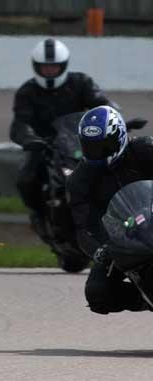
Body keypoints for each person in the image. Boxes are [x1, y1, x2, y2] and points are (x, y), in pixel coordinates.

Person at [9, 37, 113, 233]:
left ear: (63, 65)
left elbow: (103, 105)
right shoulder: (27, 91)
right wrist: (30, 139)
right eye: (45, 67)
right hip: (44, 146)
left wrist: (116, 121)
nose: (49, 71)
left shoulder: (82, 83)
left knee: (113, 169)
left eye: (54, 67)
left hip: (81, 142)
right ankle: (39, 216)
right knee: (25, 179)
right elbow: (20, 122)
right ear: (36, 67)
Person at [68, 105, 153, 314]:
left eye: (104, 146)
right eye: (91, 146)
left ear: (120, 136)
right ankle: (144, 299)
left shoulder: (145, 150)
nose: (97, 153)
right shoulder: (79, 180)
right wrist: (99, 250)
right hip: (122, 239)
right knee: (98, 294)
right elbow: (83, 226)